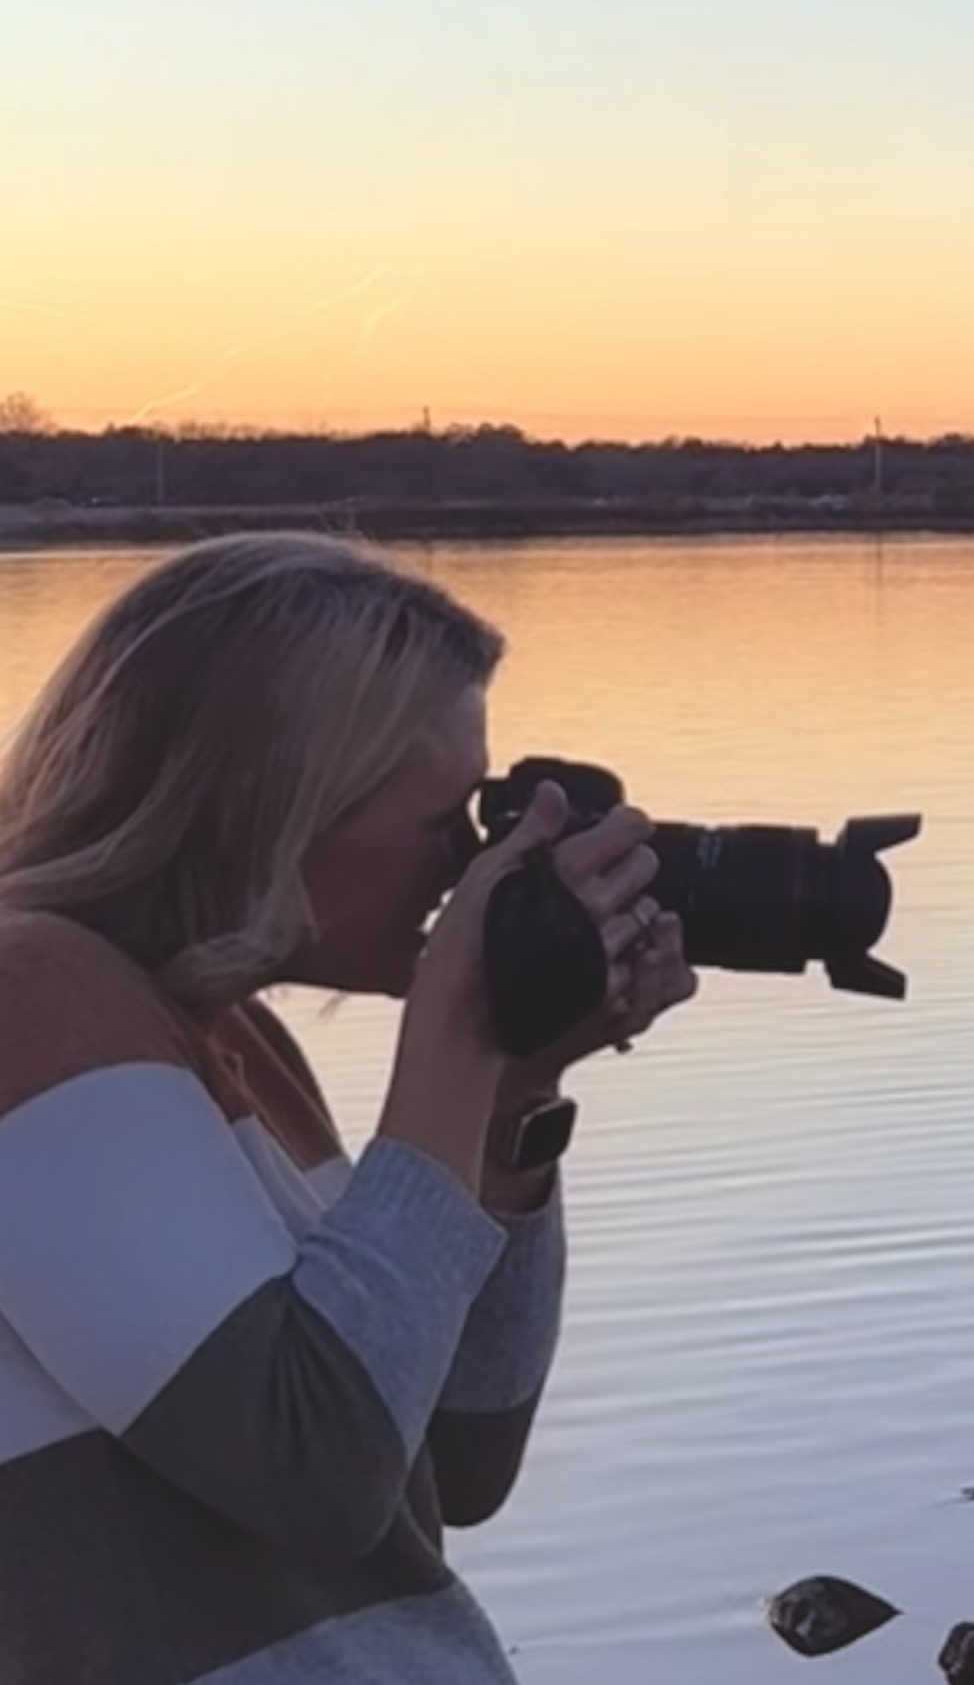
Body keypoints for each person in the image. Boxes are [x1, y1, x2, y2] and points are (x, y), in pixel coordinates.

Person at [0, 533, 693, 1683]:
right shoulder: (32, 995)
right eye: (450, 820)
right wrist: (458, 1037)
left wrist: (514, 1088)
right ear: (268, 803)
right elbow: (313, 1469)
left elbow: (454, 1456)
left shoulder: (237, 1043)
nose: (468, 869)